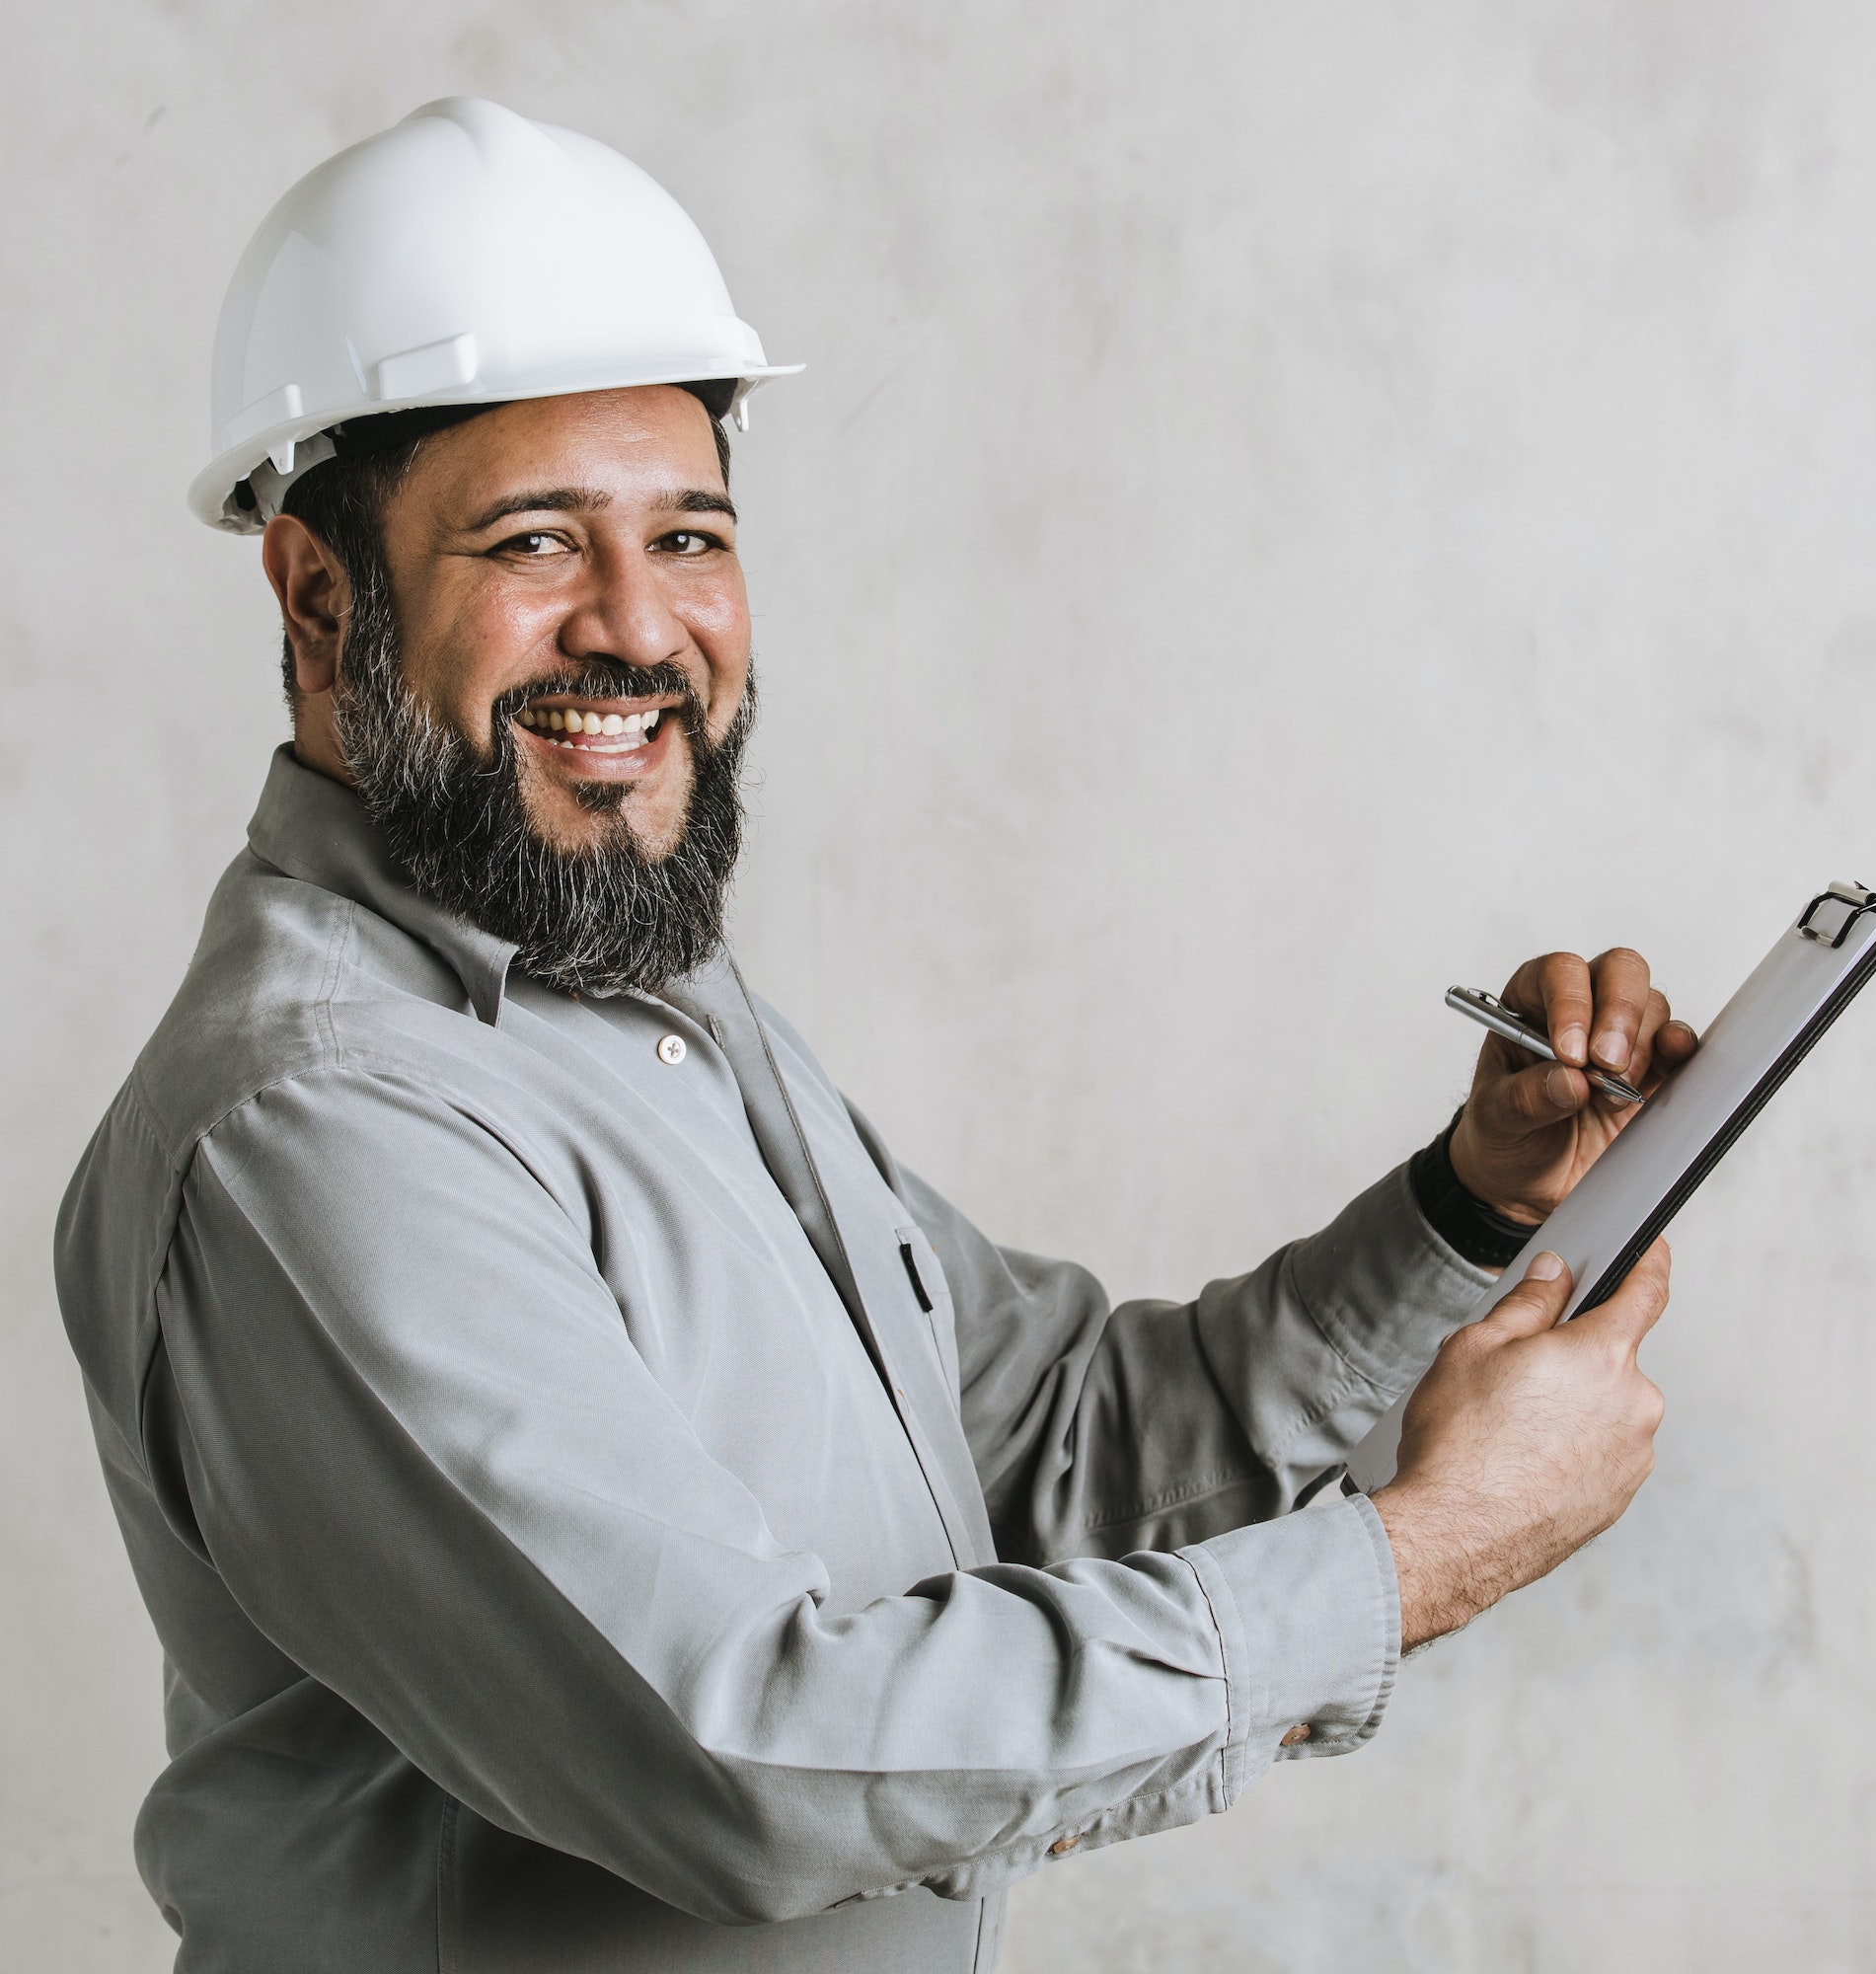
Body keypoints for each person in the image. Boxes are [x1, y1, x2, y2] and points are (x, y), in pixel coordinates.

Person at [55, 99, 1691, 1974]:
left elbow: (1047, 1456)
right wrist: (1419, 1561)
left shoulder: (642, 1005)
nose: (639, 627)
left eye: (689, 534)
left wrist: (1471, 1209)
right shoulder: (323, 1118)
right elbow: (737, 1753)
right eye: (533, 542)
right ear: (320, 592)